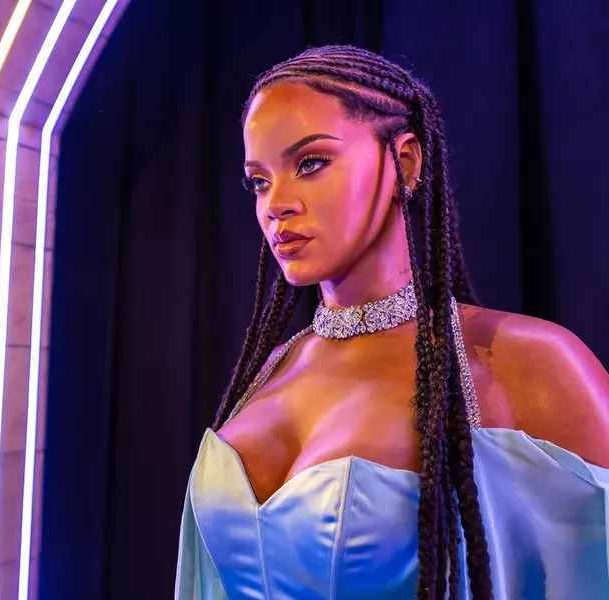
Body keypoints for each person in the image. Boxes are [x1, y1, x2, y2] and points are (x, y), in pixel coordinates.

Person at [174, 45, 609, 600]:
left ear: (405, 160)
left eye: (310, 163)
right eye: (259, 181)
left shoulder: (522, 364)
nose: (276, 203)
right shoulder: (271, 368)